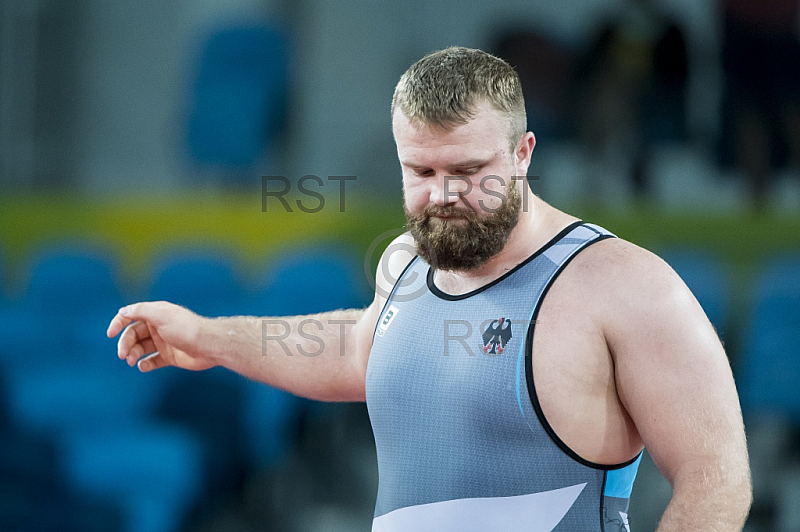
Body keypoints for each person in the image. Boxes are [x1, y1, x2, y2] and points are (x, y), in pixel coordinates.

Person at [107, 47, 751, 531]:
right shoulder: (405, 264)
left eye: (469, 171)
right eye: (421, 170)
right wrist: (210, 337)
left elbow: (716, 484)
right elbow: (357, 350)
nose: (443, 194)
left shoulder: (626, 286)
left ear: (524, 153)